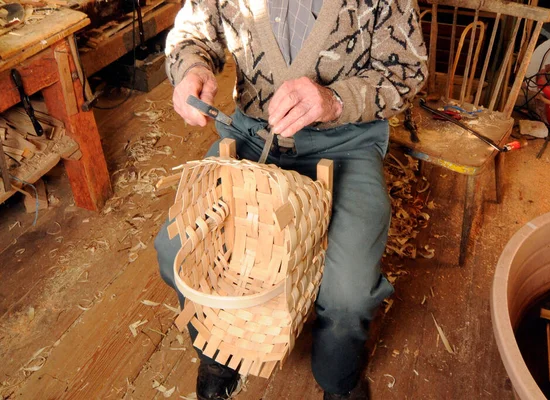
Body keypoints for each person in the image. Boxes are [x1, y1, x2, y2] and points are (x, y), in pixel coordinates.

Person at [154, 1, 427, 399]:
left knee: (348, 293)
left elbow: (407, 69)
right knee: (175, 249)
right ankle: (219, 353)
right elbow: (193, 32)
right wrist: (191, 68)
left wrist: (334, 100)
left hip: (345, 141)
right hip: (252, 136)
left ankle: (338, 379)